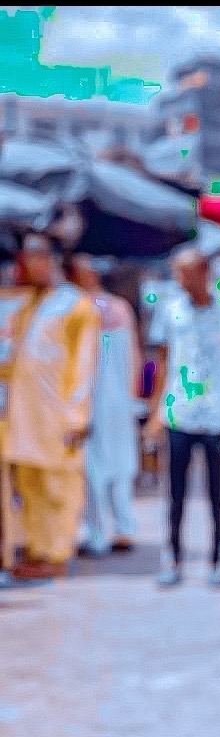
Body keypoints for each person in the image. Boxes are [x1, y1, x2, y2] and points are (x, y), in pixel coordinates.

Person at [144, 243, 220, 588]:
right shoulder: (170, 311)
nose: (180, 280)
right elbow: (162, 362)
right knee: (174, 493)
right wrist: (155, 411)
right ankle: (173, 560)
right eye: (178, 273)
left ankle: (217, 563)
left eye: (186, 273)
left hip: (215, 415)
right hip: (178, 412)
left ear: (204, 273)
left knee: (216, 494)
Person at [2, 233, 99, 581]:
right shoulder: (28, 305)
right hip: (23, 413)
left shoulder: (77, 306)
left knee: (58, 486)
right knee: (29, 485)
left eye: (37, 257)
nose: (30, 265)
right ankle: (36, 549)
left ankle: (57, 553)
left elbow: (84, 366)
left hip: (57, 414)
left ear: (52, 260)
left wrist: (77, 416)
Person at [65, 254, 142, 557]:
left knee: (98, 466)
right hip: (112, 401)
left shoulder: (78, 308)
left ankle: (104, 531)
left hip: (97, 401)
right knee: (112, 465)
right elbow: (134, 357)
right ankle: (119, 527)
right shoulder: (117, 308)